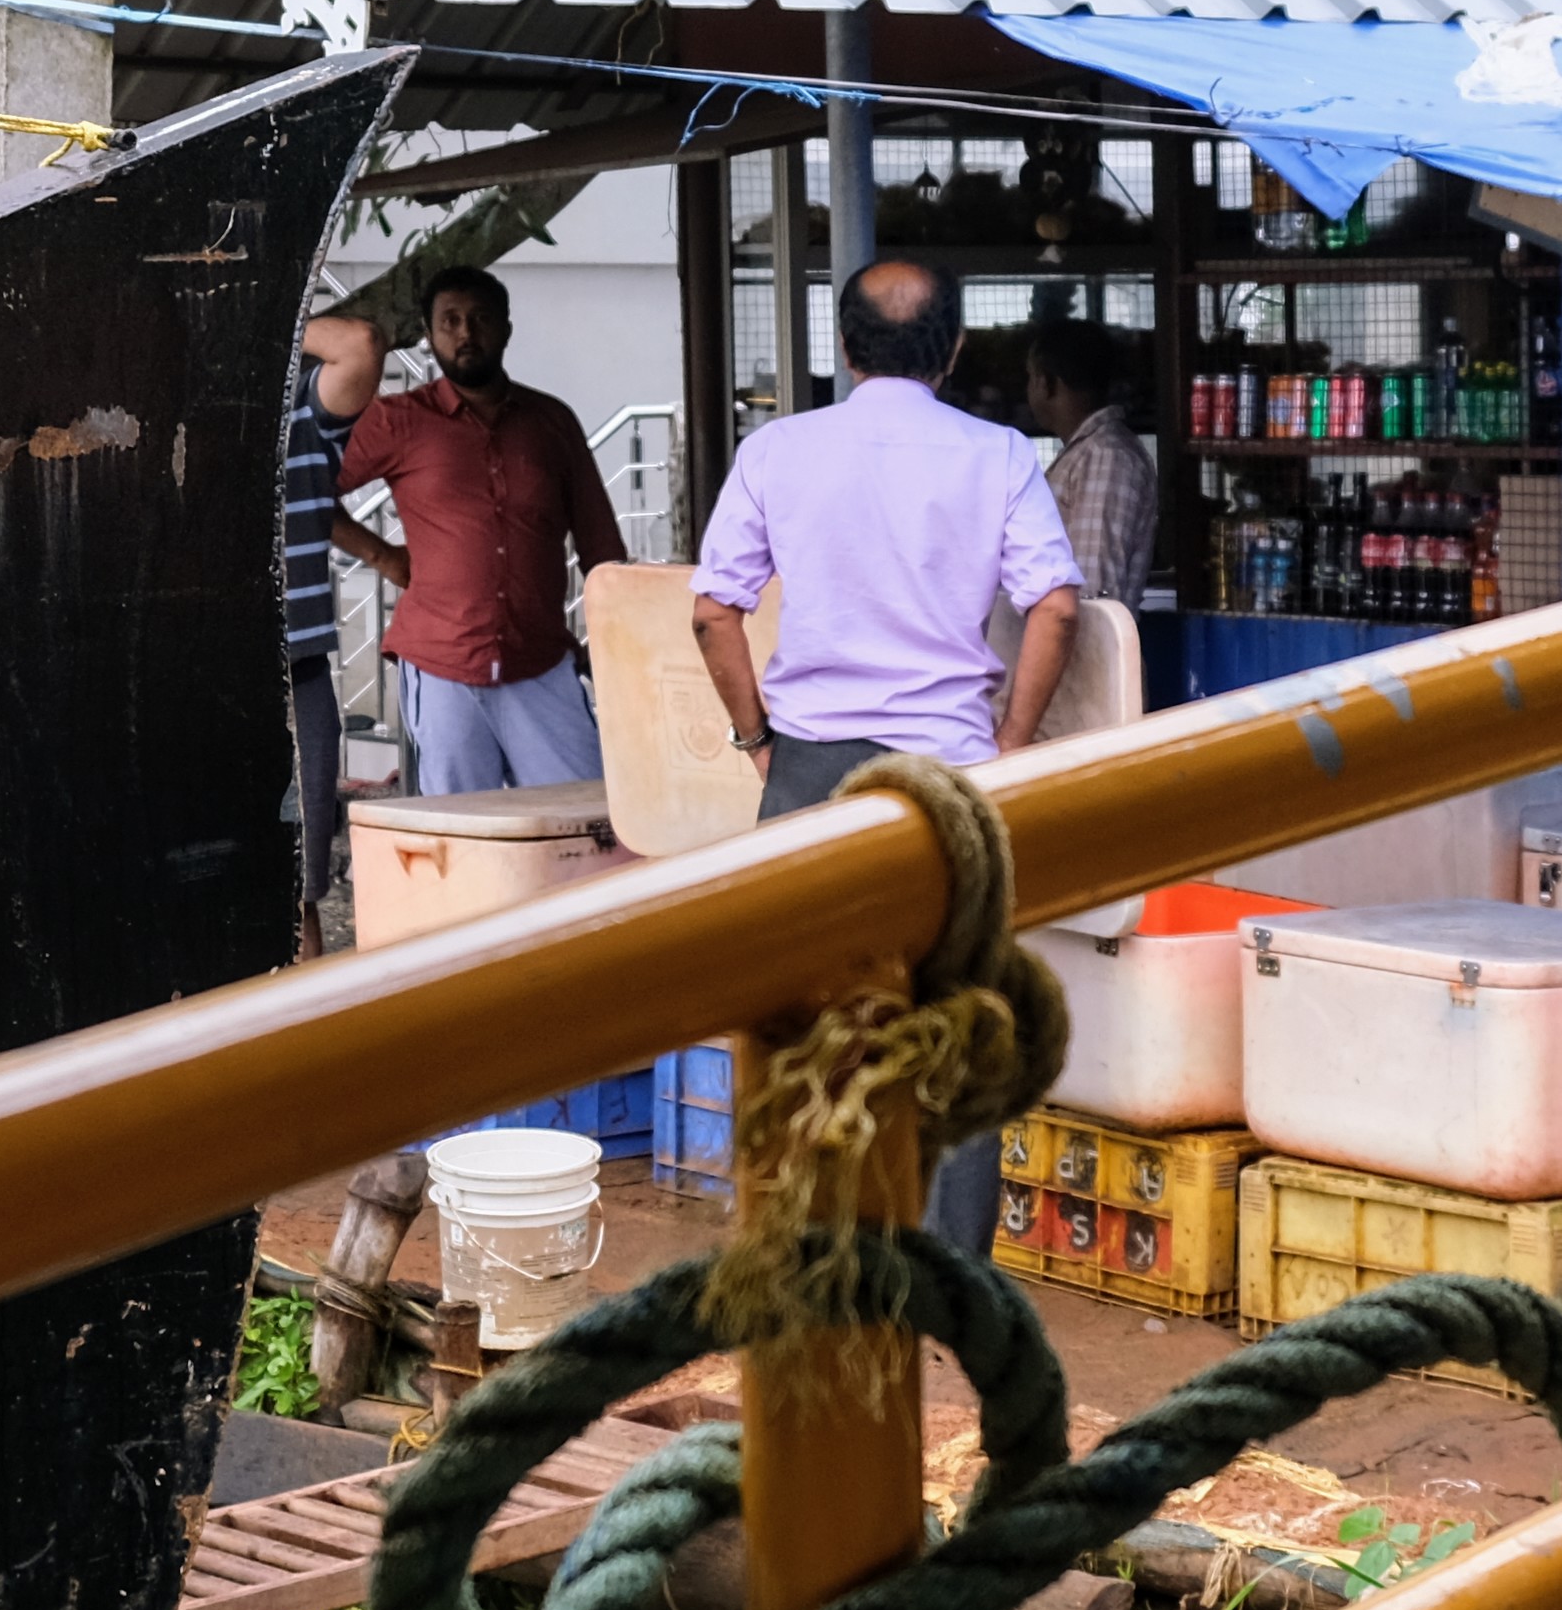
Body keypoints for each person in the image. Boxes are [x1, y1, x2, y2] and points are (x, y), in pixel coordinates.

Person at [689, 258, 1087, 1251]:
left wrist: (755, 735)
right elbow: (1059, 603)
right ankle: (949, 1271)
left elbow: (712, 611)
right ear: (953, 348)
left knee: (800, 1024)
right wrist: (1012, 740)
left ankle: (804, 1245)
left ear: (845, 347)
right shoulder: (999, 455)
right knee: (956, 1023)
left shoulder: (778, 450)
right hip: (949, 783)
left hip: (811, 773)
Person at [331, 266, 626, 794]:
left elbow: (601, 543)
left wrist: (618, 642)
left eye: (481, 319)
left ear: (507, 329)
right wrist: (382, 555)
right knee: (460, 832)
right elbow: (307, 492)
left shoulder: (551, 421)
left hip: (540, 661)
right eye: (450, 321)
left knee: (586, 823)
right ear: (429, 334)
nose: (466, 333)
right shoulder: (397, 420)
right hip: (442, 665)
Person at [278, 312, 377, 939]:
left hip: (297, 674)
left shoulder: (303, 407)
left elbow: (359, 345)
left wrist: (259, 311)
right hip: (185, 673)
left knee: (301, 894)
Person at [1025, 311, 1160, 604]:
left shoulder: (1104, 457)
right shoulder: (1087, 452)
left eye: (1030, 378)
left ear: (1046, 383)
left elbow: (1092, 588)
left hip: (1085, 647)